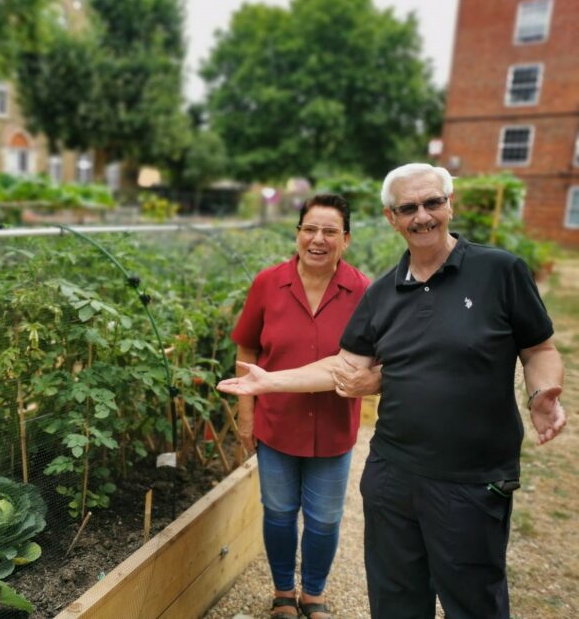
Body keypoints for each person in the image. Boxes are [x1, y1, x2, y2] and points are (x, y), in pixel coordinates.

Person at [218, 163, 566, 619]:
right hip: (392, 474)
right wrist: (268, 381)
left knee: (472, 599)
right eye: (408, 208)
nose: (422, 215)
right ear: (391, 218)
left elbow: (539, 347)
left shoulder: (499, 271)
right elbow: (345, 365)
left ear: (449, 205)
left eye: (432, 203)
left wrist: (543, 391)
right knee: (396, 601)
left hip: (471, 478)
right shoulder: (382, 292)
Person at [231, 193, 380, 619]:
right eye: (309, 229)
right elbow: (247, 345)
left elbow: (374, 357)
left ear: (345, 239)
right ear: (297, 233)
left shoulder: (362, 290)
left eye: (330, 231)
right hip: (277, 423)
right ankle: (283, 593)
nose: (318, 239)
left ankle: (313, 595)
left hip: (333, 428)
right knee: (278, 513)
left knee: (325, 519)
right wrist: (246, 414)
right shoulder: (268, 283)